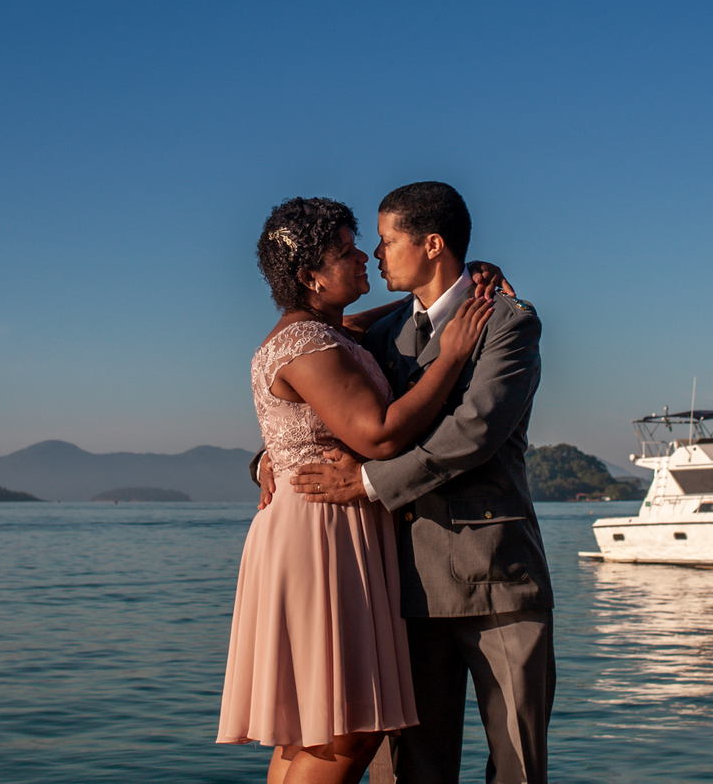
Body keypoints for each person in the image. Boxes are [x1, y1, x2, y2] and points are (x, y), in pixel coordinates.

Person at [279, 182, 554, 784]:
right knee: (411, 774)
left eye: (385, 241)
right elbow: (311, 393)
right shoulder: (381, 335)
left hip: (497, 581)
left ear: (432, 244)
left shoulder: (509, 322)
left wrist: (372, 483)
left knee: (517, 770)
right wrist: (270, 464)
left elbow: (475, 431)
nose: (375, 255)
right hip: (401, 589)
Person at [217, 196, 495, 784]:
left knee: (317, 726)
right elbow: (381, 435)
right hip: (322, 532)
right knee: (347, 728)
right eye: (346, 251)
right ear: (309, 275)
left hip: (327, 528)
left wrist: (450, 289)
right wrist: (452, 354)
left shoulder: (320, 333)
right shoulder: (309, 346)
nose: (365, 254)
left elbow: (358, 332)